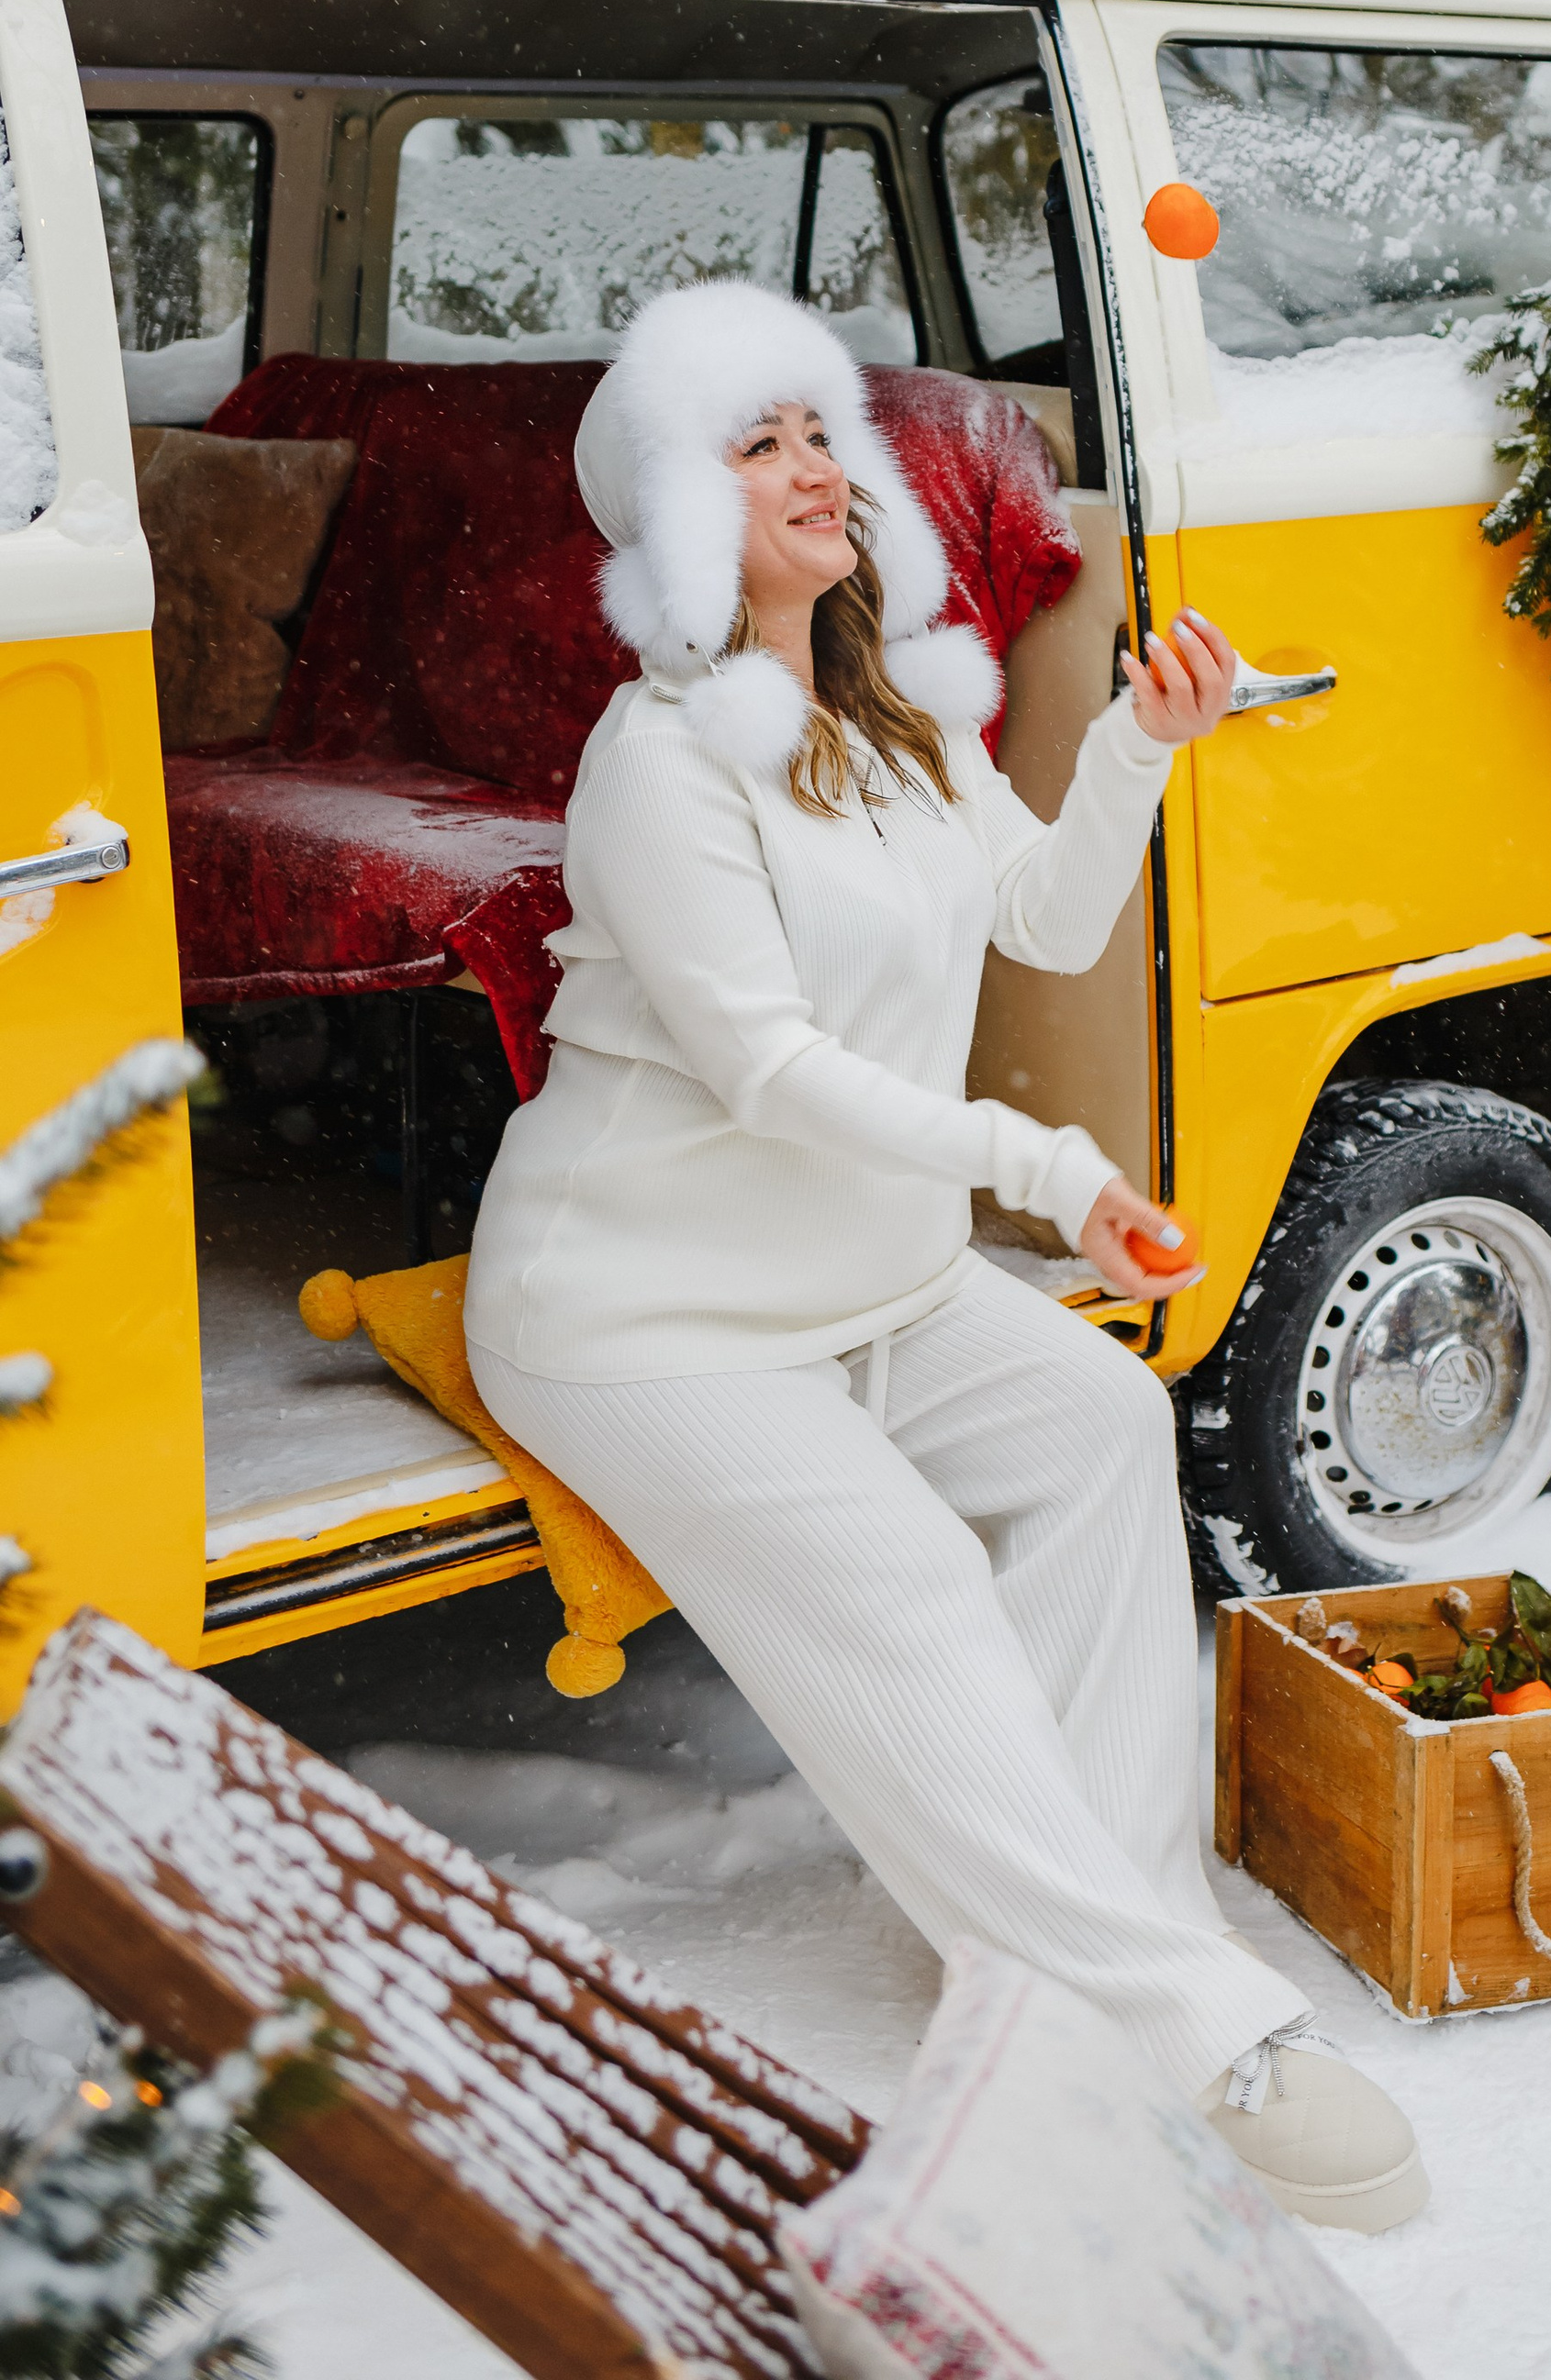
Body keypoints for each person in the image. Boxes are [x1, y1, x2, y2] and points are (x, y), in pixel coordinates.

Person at [464, 281, 1427, 2232]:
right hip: (640, 1311)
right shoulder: (659, 760)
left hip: (871, 1280)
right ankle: (1189, 2034)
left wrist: (1140, 744)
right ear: (677, 514)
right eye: (757, 446)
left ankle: (1104, 1934)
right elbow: (764, 1066)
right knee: (907, 1579)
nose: (816, 469)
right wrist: (1047, 1171)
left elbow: (1047, 920)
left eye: (821, 431)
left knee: (1098, 1423)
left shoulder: (893, 718)